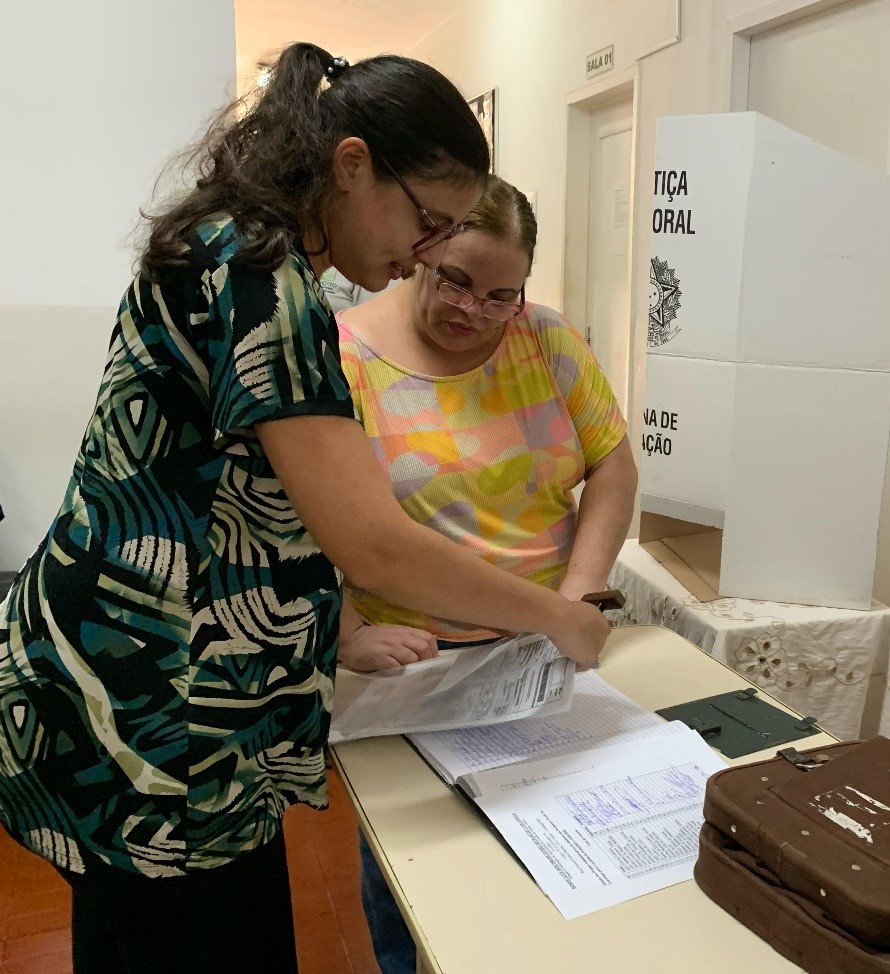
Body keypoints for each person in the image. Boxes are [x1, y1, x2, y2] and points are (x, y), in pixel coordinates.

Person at [0, 43, 610, 974]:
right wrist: (560, 616)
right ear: (352, 164)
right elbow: (372, 541)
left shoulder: (241, 247)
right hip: (158, 715)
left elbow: (252, 499)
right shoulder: (259, 278)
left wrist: (336, 631)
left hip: (126, 683)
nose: (426, 254)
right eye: (428, 223)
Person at [333, 176, 637, 970]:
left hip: (549, 654)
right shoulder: (343, 357)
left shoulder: (545, 340)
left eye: (502, 295)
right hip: (416, 667)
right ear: (420, 252)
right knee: (423, 885)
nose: (473, 310)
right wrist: (347, 632)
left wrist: (578, 596)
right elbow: (298, 524)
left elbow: (610, 463)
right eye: (456, 281)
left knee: (556, 869)